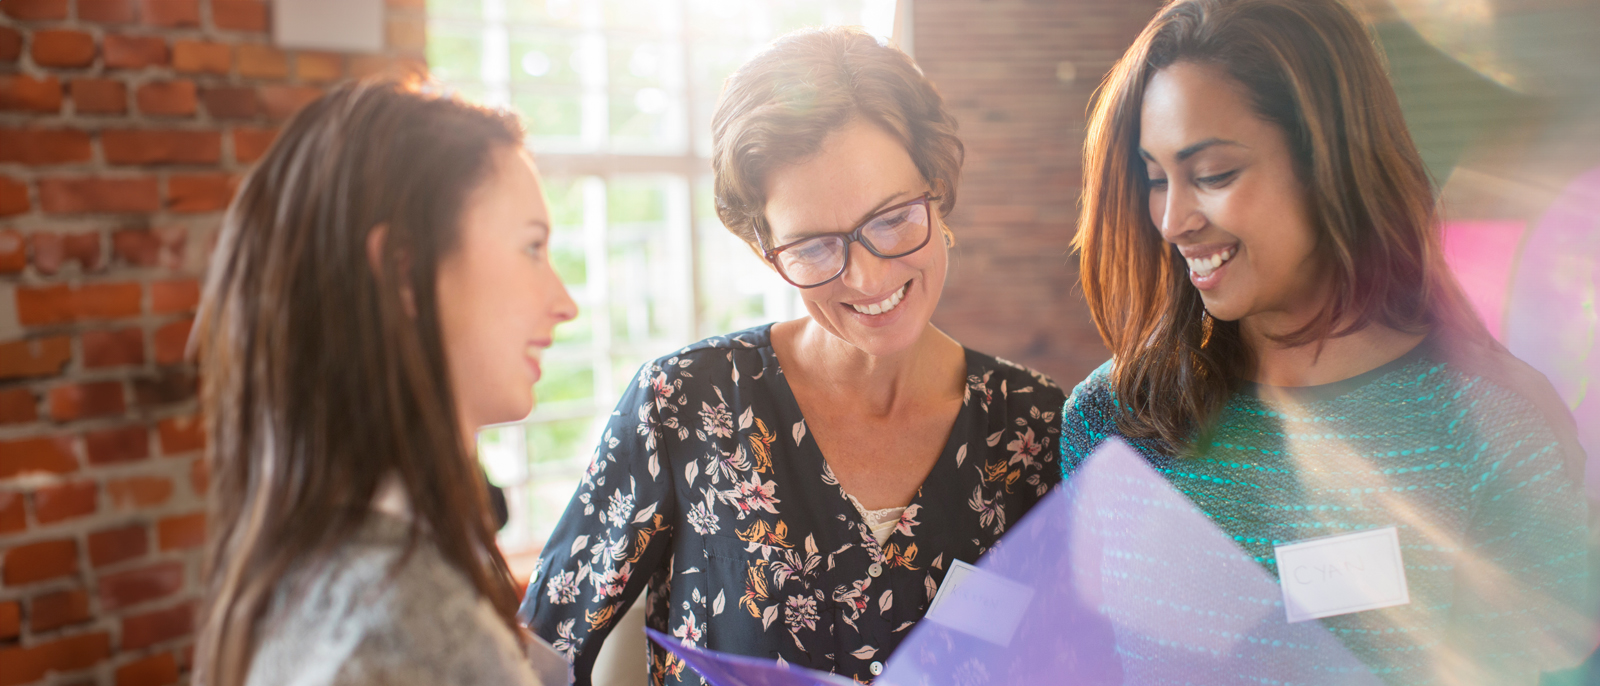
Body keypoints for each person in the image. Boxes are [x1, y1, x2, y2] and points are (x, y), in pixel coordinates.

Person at [1064, 0, 1594, 683]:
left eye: (1214, 174)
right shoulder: (1111, 419)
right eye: (1156, 178)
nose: (1172, 220)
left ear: (1328, 159)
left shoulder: (1491, 425)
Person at [520, 26, 1067, 684]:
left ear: (939, 190)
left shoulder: (1037, 428)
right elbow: (537, 654)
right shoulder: (686, 404)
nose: (865, 278)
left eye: (892, 218)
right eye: (813, 246)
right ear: (764, 250)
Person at [191, 80, 577, 686]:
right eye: (532, 248)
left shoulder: (313, 569)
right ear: (405, 269)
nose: (564, 302)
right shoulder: (404, 630)